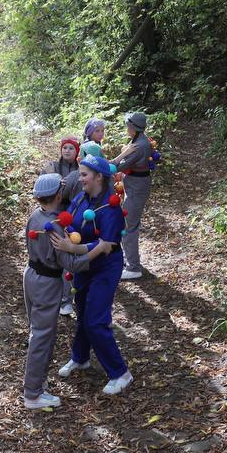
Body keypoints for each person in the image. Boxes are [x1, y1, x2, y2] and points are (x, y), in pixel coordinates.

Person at [52, 153, 134, 395]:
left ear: (99, 176)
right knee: (83, 313)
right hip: (83, 266)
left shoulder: (111, 207)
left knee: (96, 320)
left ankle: (120, 373)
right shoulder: (80, 198)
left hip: (105, 267)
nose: (80, 177)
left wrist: (72, 249)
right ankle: (80, 357)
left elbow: (105, 244)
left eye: (84, 174)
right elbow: (71, 224)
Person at [22, 173, 93, 409]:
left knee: (37, 332)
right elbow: (70, 264)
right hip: (46, 282)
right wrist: (95, 252)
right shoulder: (55, 227)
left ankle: (36, 385)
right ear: (59, 195)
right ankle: (32, 393)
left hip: (31, 275)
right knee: (42, 337)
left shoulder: (35, 216)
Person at [113, 111, 154, 281]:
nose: (126, 129)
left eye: (128, 126)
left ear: (133, 128)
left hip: (137, 189)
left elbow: (117, 166)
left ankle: (133, 267)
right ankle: (131, 260)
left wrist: (121, 155)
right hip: (134, 186)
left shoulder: (140, 146)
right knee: (128, 224)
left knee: (129, 227)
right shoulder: (138, 140)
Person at [44, 137, 80, 316]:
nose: (66, 151)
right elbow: (42, 188)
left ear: (76, 152)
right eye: (64, 148)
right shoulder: (52, 166)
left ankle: (67, 300)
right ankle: (52, 295)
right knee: (51, 254)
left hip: (72, 216)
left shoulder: (81, 170)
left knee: (67, 256)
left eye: (71, 149)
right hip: (53, 215)